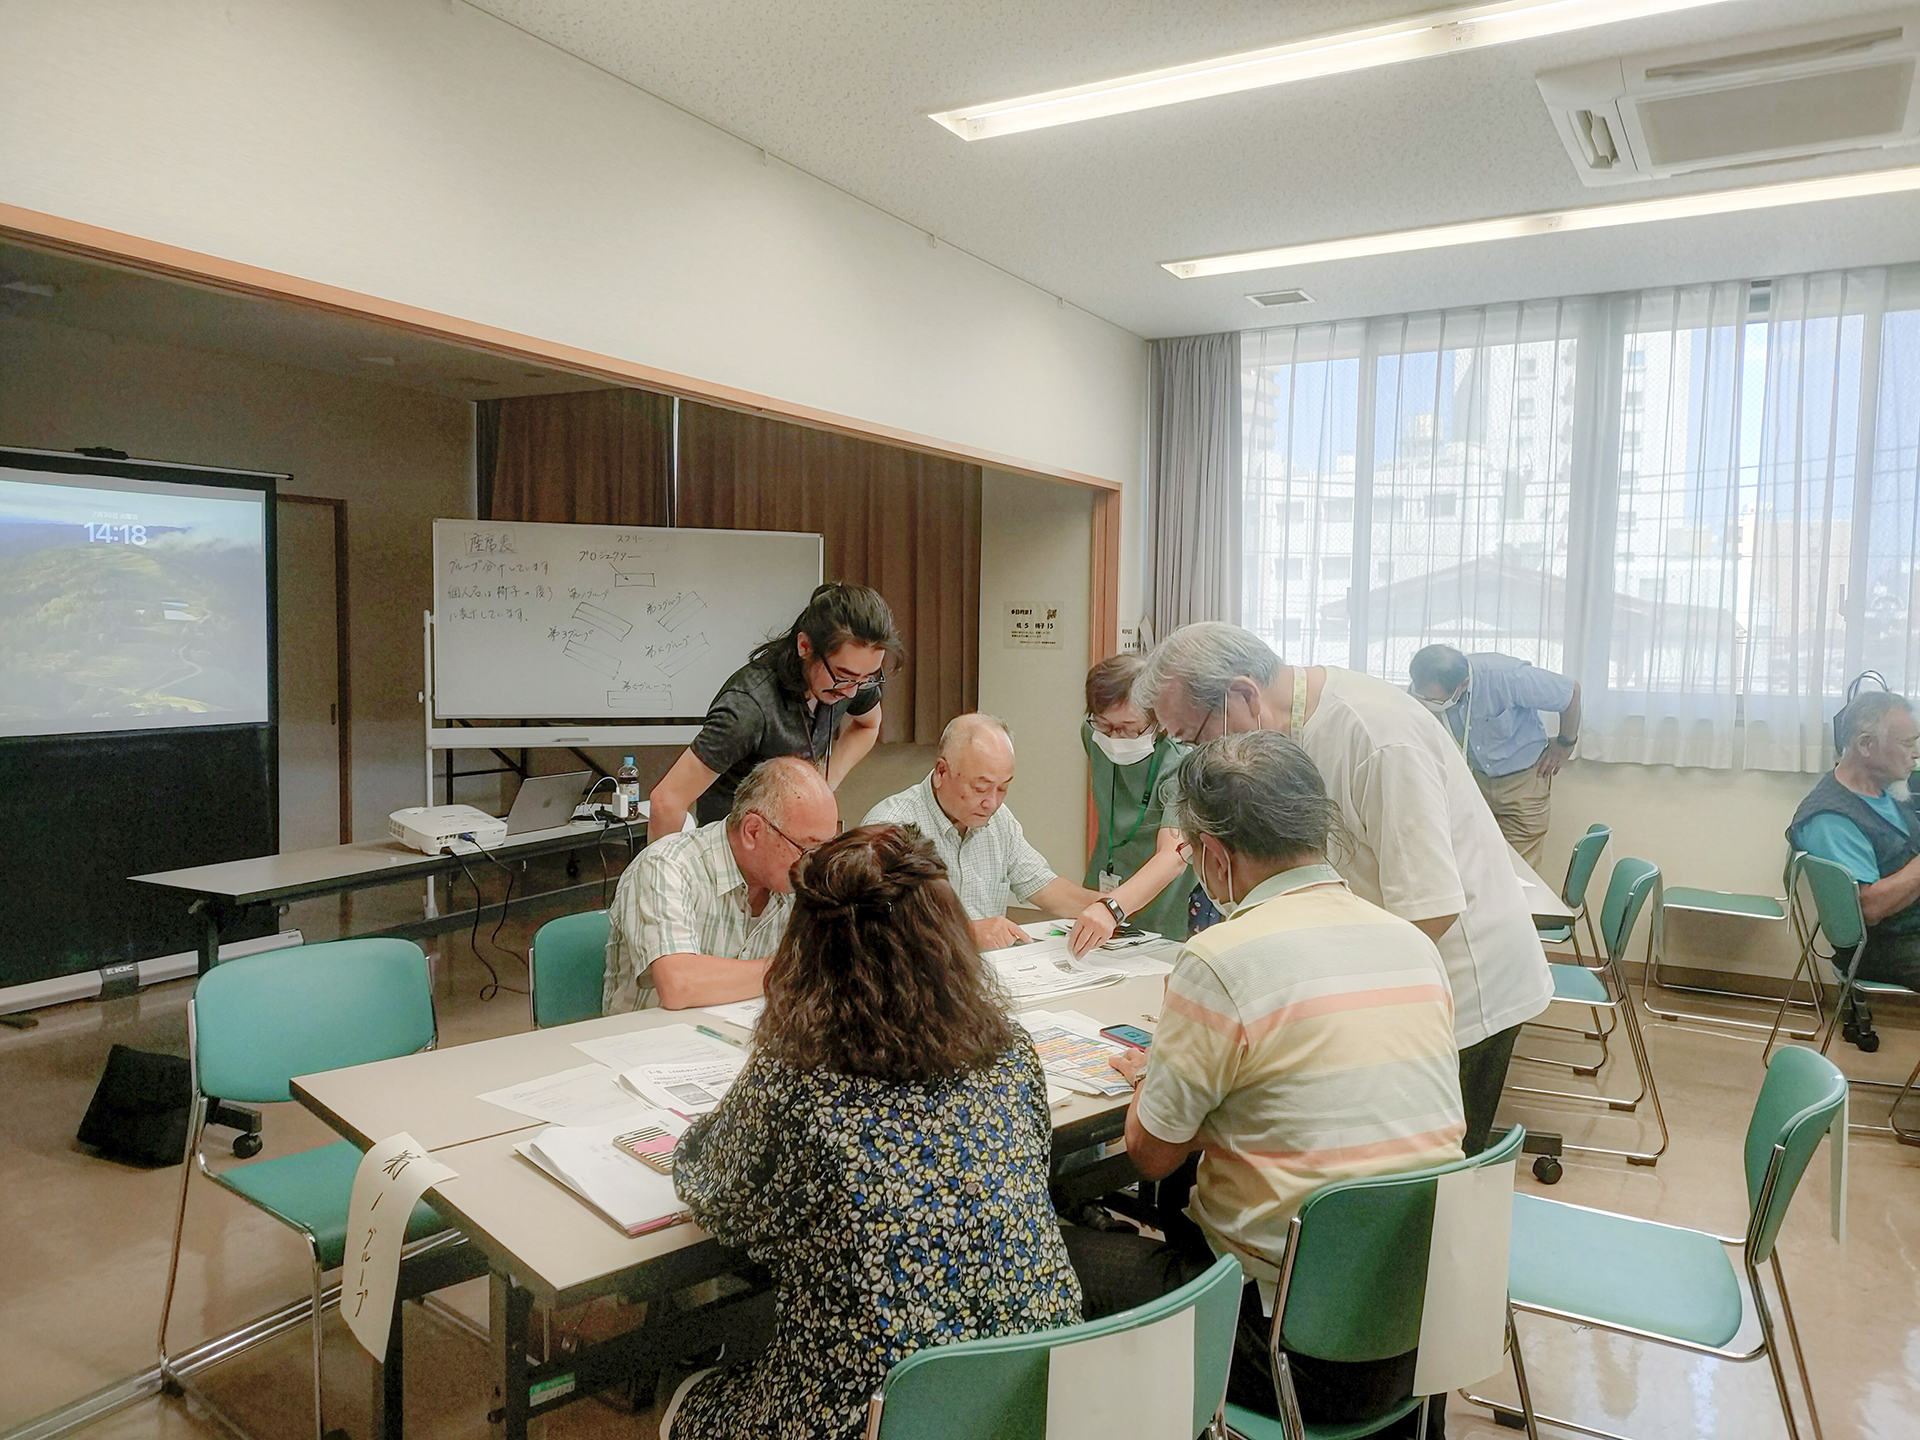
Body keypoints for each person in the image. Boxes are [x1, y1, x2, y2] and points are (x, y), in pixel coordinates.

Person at [1062, 731, 1464, 1436]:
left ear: (1214, 856)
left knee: (1045, 1246)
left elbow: (1152, 1155)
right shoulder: (1411, 945)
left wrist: (1156, 1083)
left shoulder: (1221, 959)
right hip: (1422, 1326)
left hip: (1286, 1348)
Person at [663, 824, 1083, 1440]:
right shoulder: (1011, 1054)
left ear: (809, 947)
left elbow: (717, 1199)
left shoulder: (796, 1079)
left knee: (690, 1398)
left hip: (873, 1416)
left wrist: (702, 1135)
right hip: (1032, 1394)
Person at [1136, 622, 1552, 1155]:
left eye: (1194, 737)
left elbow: (1429, 907)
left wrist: (1321, 997)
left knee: (1433, 1188)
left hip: (1461, 979)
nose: (1196, 754)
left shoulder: (1377, 736)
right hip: (1385, 974)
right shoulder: (1292, 733)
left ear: (1242, 695)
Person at [647, 582, 902, 842]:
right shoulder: (749, 707)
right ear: (805, 646)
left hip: (791, 840)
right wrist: (661, 877)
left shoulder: (853, 679)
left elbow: (868, 725)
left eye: (866, 678)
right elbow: (666, 801)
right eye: (843, 676)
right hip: (733, 848)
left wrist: (825, 783)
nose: (850, 692)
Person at [603, 757, 839, 1012]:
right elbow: (679, 985)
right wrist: (794, 969)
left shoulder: (790, 881)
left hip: (738, 1037)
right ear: (753, 831)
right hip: (648, 1042)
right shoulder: (666, 865)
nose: (814, 863)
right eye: (807, 848)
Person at [862, 713, 1100, 949]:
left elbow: (1045, 887)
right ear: (941, 772)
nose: (992, 803)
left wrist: (1110, 907)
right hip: (920, 979)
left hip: (988, 973)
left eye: (1003, 788)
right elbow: (871, 928)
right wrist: (965, 933)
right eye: (980, 788)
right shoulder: (891, 826)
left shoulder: (999, 820)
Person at [1789, 691, 1920, 1006]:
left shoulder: (1883, 787)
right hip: (1882, 946)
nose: (1915, 753)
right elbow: (1868, 909)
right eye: (1907, 743)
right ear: (1865, 745)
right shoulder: (1831, 819)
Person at [1407, 644, 1582, 867]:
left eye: (1436, 701)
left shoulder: (1506, 677)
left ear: (1463, 686)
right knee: (1474, 869)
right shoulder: (1425, 681)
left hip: (1522, 785)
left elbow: (1571, 691)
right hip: (1477, 782)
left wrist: (1566, 742)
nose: (1431, 705)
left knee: (1516, 877)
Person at [1067, 653, 1194, 953]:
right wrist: (1104, 907)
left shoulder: (1181, 762)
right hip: (1105, 885)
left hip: (1164, 897)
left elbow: (1173, 855)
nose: (1115, 737)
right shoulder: (1092, 735)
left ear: (1158, 721)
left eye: (1128, 727)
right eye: (1106, 725)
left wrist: (1113, 907)